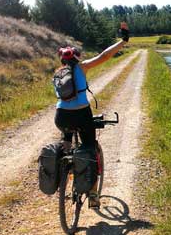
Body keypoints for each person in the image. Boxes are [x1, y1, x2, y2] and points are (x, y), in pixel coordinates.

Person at [54, 23, 129, 208]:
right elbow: (105, 55)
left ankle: (65, 171)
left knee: (67, 141)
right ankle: (93, 196)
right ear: (77, 57)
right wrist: (123, 40)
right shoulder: (82, 67)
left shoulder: (57, 74)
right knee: (89, 148)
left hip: (61, 116)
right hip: (82, 115)